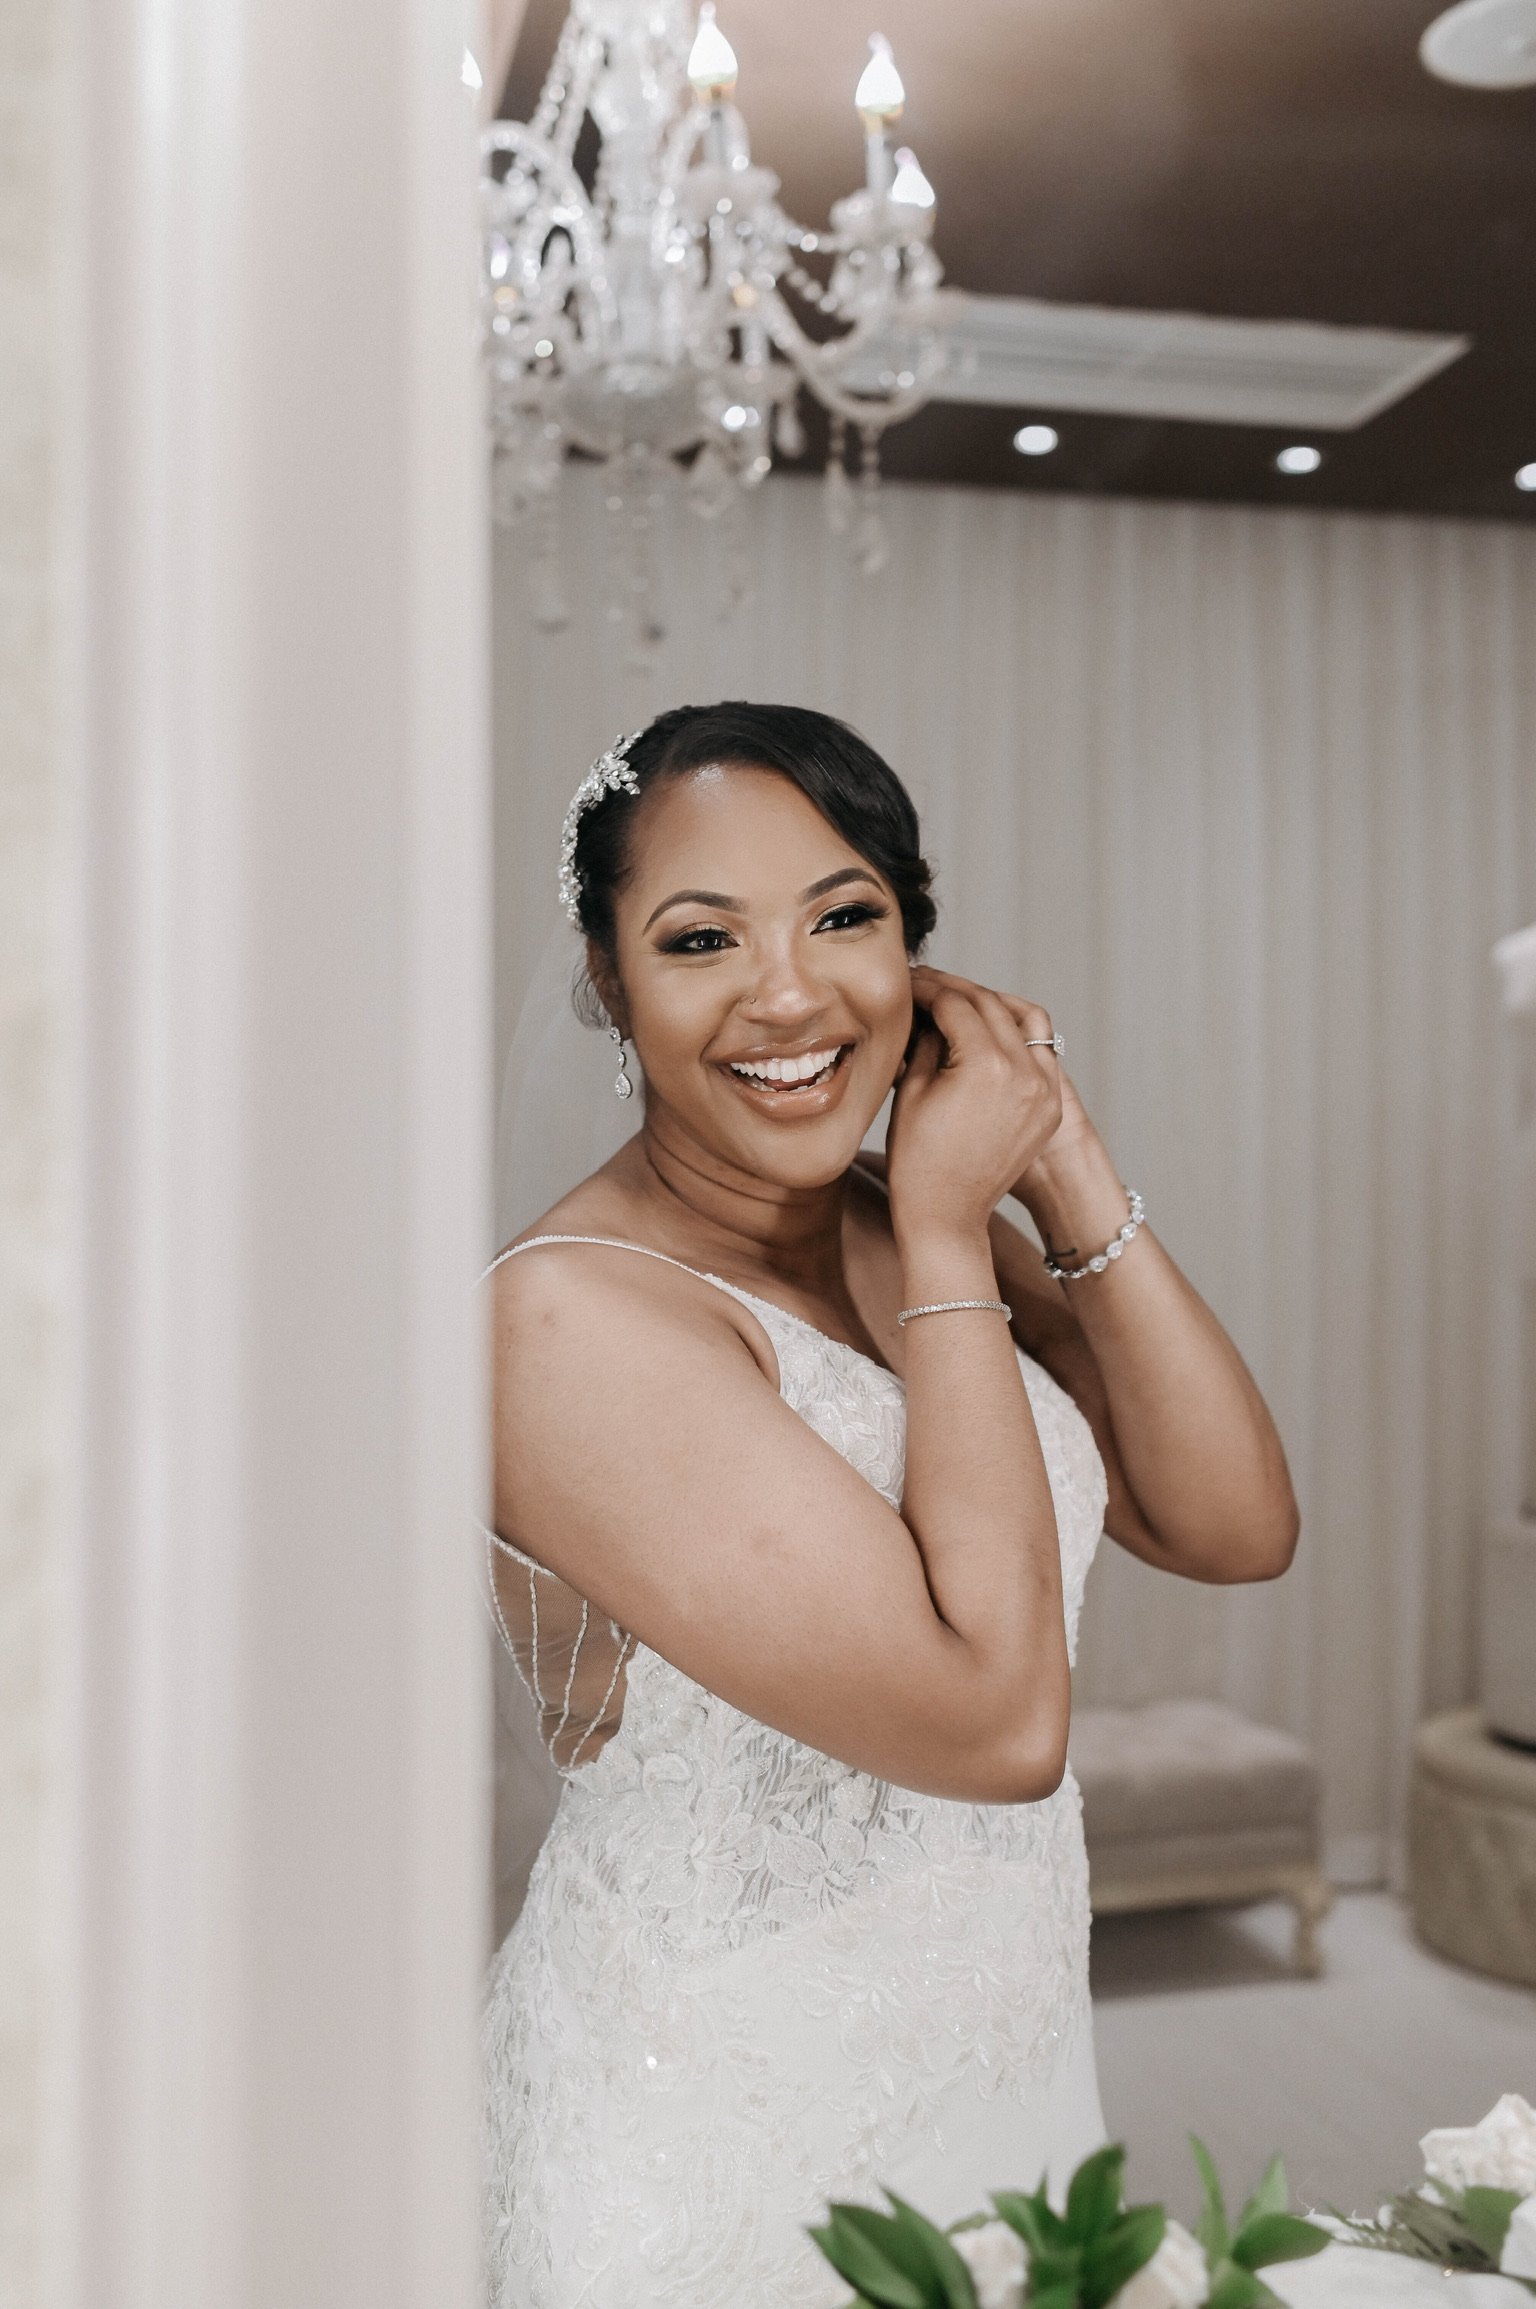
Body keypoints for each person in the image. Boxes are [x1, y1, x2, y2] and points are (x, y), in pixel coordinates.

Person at [481, 701, 1299, 2309]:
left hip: (998, 2048)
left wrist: (1058, 1158)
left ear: (919, 954)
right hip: (703, 2112)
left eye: (843, 916)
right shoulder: (564, 1327)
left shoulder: (894, 1210)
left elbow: (1230, 1524)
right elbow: (996, 1728)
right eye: (700, 937)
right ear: (608, 983)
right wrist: (943, 1228)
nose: (787, 992)